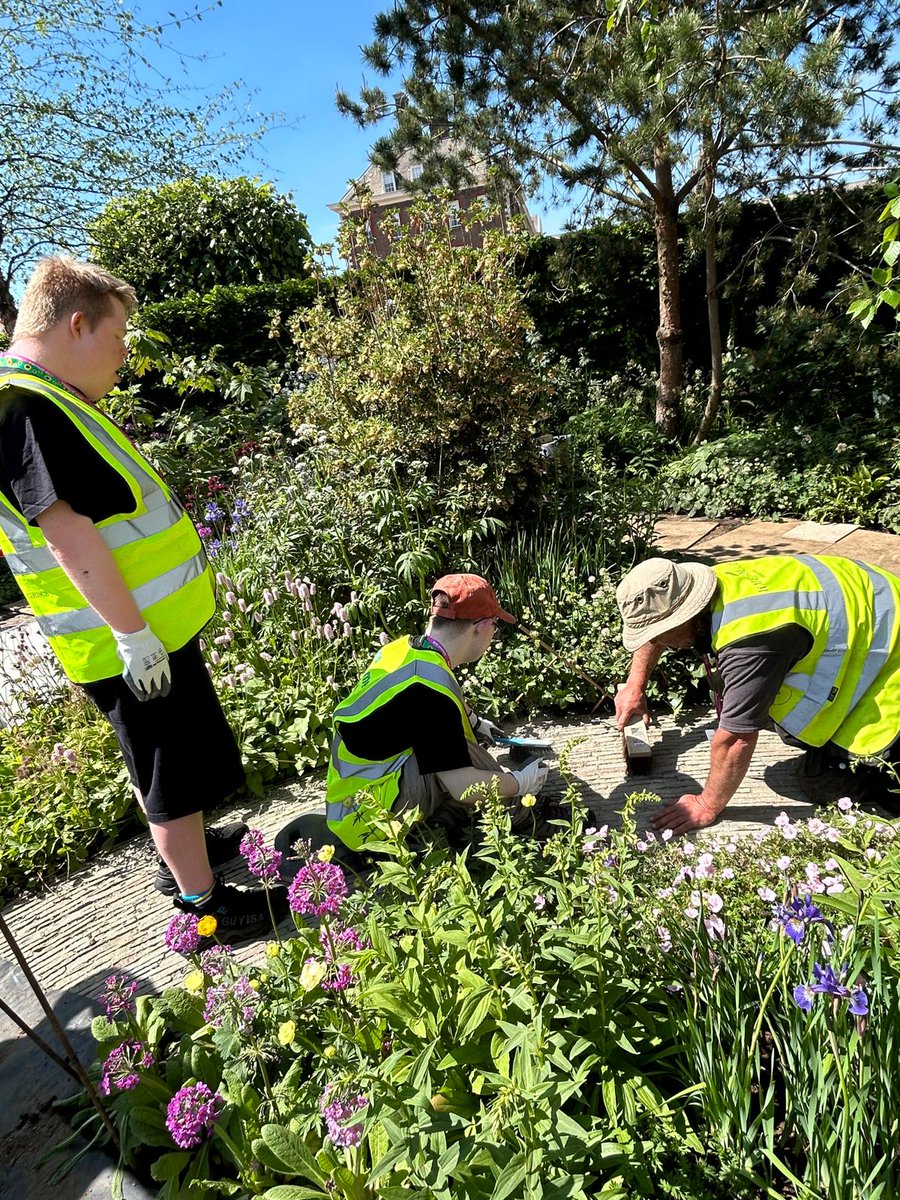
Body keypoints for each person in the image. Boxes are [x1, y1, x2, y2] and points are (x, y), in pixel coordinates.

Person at [0, 256, 286, 941]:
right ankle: (203, 907)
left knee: (169, 761)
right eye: (119, 335)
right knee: (164, 770)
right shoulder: (26, 408)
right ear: (77, 324)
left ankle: (182, 857)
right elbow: (69, 538)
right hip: (125, 643)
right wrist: (132, 635)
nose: (126, 354)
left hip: (140, 634)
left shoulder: (49, 398)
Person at [614, 554, 900, 834]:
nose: (655, 642)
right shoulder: (714, 585)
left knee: (823, 782)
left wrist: (706, 803)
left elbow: (736, 739)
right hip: (877, 605)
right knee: (776, 714)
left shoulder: (750, 643)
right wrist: (635, 685)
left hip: (891, 662)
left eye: (658, 635)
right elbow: (661, 622)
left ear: (684, 617)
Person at [325, 573, 551, 850]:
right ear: (479, 627)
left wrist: (475, 721)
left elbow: (412, 710)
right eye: (494, 625)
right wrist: (520, 783)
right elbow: (463, 785)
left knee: (451, 745)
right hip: (369, 819)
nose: (494, 633)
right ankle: (528, 820)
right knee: (465, 758)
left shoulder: (402, 650)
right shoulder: (430, 694)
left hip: (350, 798)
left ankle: (444, 822)